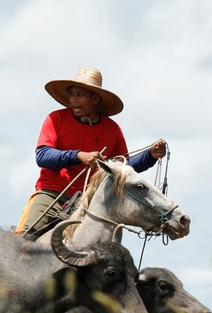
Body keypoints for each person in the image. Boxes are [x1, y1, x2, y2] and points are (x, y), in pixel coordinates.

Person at [14, 66, 168, 237]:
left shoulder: (112, 129)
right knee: (23, 239)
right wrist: (79, 156)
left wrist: (150, 156)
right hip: (52, 194)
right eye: (72, 94)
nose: (73, 100)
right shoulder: (56, 119)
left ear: (94, 99)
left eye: (80, 95)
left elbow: (121, 170)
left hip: (89, 200)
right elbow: (42, 156)